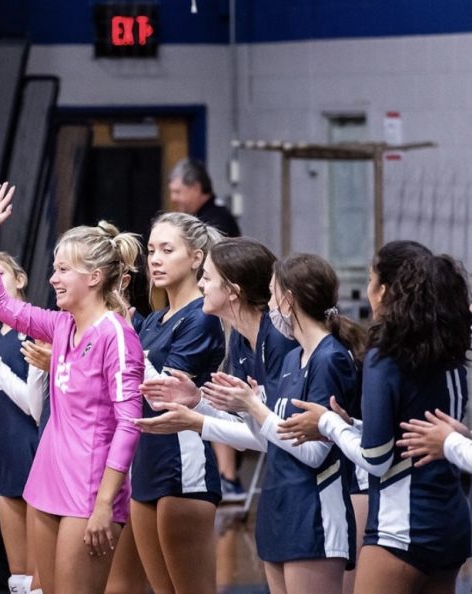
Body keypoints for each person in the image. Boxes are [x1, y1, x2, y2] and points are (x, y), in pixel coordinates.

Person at [0, 182, 144, 594]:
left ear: (95, 276)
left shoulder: (117, 336)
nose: (52, 279)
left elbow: (129, 424)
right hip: (47, 476)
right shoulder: (60, 324)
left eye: (62, 270)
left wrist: (106, 502)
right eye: (54, 268)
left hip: (90, 489)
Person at [278, 242, 472, 594]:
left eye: (370, 279)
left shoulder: (386, 353)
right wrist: (350, 425)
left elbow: (377, 460)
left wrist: (329, 424)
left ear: (383, 291)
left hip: (402, 530)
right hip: (453, 526)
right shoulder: (454, 354)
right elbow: (415, 437)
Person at [198, 253, 363, 594]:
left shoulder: (330, 358)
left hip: (314, 512)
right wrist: (244, 407)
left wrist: (255, 409)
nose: (269, 305)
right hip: (278, 507)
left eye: (273, 295)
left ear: (289, 301)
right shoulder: (292, 357)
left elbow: (316, 452)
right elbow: (271, 436)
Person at [129, 212, 224, 594]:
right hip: (145, 461)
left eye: (167, 250)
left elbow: (164, 391)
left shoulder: (201, 318)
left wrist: (123, 340)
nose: (154, 259)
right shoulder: (153, 320)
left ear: (197, 257)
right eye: (151, 250)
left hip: (183, 466)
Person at [167, 158, 242, 499]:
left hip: (221, 320)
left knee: (215, 389)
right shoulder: (164, 317)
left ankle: (228, 476)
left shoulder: (218, 221)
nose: (176, 198)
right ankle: (227, 476)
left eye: (179, 191)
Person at [0, 251, 46, 594]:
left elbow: (34, 407)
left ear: (20, 279)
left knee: (38, 575)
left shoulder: (37, 326)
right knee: (16, 577)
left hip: (38, 447)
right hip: (7, 453)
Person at [168, 158, 240, 239]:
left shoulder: (216, 222)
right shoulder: (202, 216)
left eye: (177, 192)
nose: (173, 198)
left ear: (196, 188)